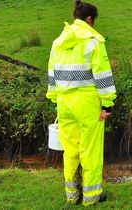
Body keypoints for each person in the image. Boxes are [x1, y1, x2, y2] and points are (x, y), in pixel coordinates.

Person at [46, 0, 116, 206]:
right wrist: (107, 103)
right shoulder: (94, 41)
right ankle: (91, 196)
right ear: (89, 19)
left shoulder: (58, 42)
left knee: (71, 150)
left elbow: (52, 74)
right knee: (90, 150)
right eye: (94, 20)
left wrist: (55, 99)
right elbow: (102, 76)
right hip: (87, 103)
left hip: (64, 101)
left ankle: (72, 195)